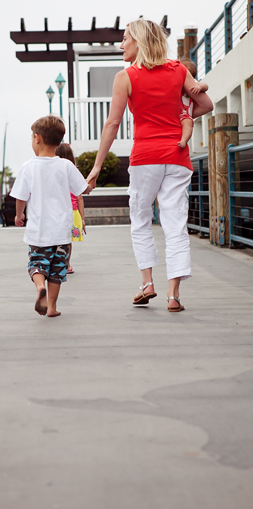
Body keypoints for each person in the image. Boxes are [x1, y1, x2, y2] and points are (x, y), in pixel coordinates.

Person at [86, 19, 213, 311]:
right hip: (177, 158)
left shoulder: (126, 76)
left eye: (125, 39)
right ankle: (173, 295)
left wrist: (96, 167)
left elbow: (112, 124)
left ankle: (147, 283)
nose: (121, 45)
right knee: (175, 223)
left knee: (141, 220)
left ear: (139, 41)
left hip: (145, 158)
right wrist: (184, 115)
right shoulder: (179, 70)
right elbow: (206, 104)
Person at [12, 116, 90, 318]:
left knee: (37, 264)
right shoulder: (66, 166)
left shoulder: (28, 167)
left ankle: (39, 288)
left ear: (37, 138)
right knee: (57, 271)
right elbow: (83, 189)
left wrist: (19, 215)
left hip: (39, 232)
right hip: (62, 232)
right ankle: (52, 307)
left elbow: (21, 198)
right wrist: (92, 179)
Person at [54, 143, 86, 274]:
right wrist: (82, 218)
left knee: (56, 239)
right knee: (67, 241)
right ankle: (66, 265)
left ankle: (55, 263)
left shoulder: (55, 173)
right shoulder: (74, 172)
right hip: (73, 212)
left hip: (58, 211)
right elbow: (80, 198)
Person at [176, 59, 209, 150]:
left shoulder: (193, 83)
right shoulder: (177, 84)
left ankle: (184, 140)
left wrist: (199, 87)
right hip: (175, 113)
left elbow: (206, 86)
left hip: (185, 114)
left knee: (188, 124)